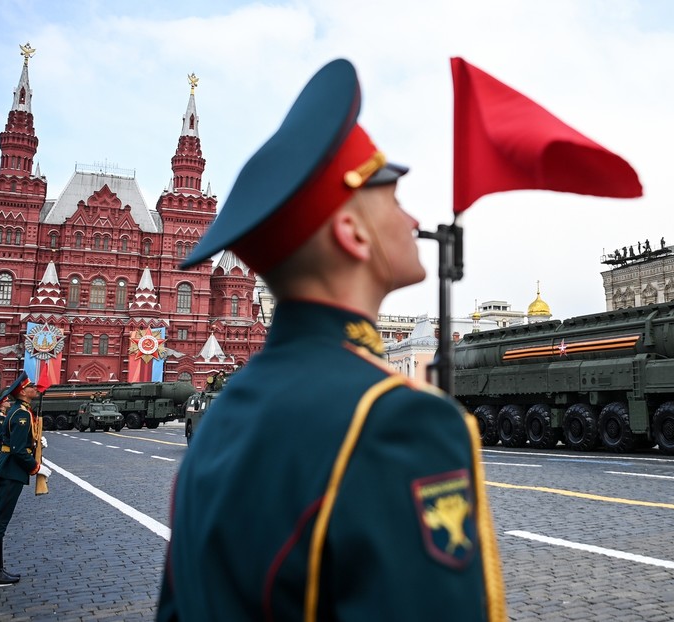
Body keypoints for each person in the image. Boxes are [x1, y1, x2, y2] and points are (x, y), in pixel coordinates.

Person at [158, 59, 506, 621]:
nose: (412, 217)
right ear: (352, 233)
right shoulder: (398, 421)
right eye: (393, 200)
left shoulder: (224, 417)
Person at [0, 373, 49, 586]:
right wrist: (36, 467)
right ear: (22, 392)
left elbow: (15, 442)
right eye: (31, 387)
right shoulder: (21, 414)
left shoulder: (20, 411)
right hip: (11, 472)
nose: (35, 389)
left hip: (9, 469)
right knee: (0, 520)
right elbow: (18, 450)